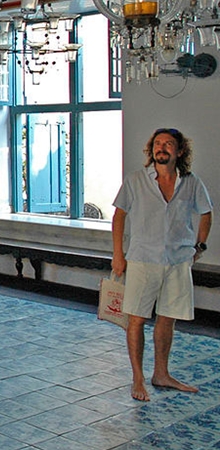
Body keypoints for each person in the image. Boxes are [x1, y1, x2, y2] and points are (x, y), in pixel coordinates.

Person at [111, 127, 212, 402]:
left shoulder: (191, 182)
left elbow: (206, 212)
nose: (162, 147)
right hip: (143, 259)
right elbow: (119, 216)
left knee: (168, 318)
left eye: (168, 144)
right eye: (158, 143)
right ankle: (137, 378)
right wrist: (118, 255)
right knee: (137, 318)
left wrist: (199, 247)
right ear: (151, 149)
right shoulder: (136, 180)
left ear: (180, 151)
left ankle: (161, 374)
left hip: (178, 261)